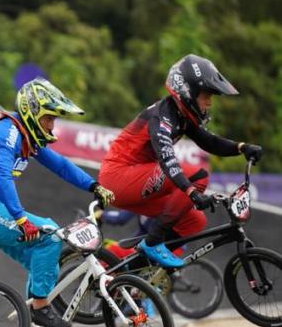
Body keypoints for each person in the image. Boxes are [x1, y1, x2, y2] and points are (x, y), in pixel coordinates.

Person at [0, 78, 114, 327]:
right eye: (49, 119)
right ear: (32, 113)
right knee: (51, 236)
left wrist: (93, 186)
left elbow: (61, 165)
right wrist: (21, 218)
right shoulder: (7, 133)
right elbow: (2, 177)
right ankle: (40, 307)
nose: (52, 126)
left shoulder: (28, 137)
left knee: (43, 260)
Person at [98, 54, 263, 268]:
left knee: (194, 221)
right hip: (117, 178)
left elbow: (210, 142)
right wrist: (191, 191)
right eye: (206, 96)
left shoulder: (181, 116)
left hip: (135, 180)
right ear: (188, 92)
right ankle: (153, 242)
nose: (209, 103)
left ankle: (132, 266)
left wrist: (241, 148)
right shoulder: (162, 117)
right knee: (198, 175)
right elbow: (168, 160)